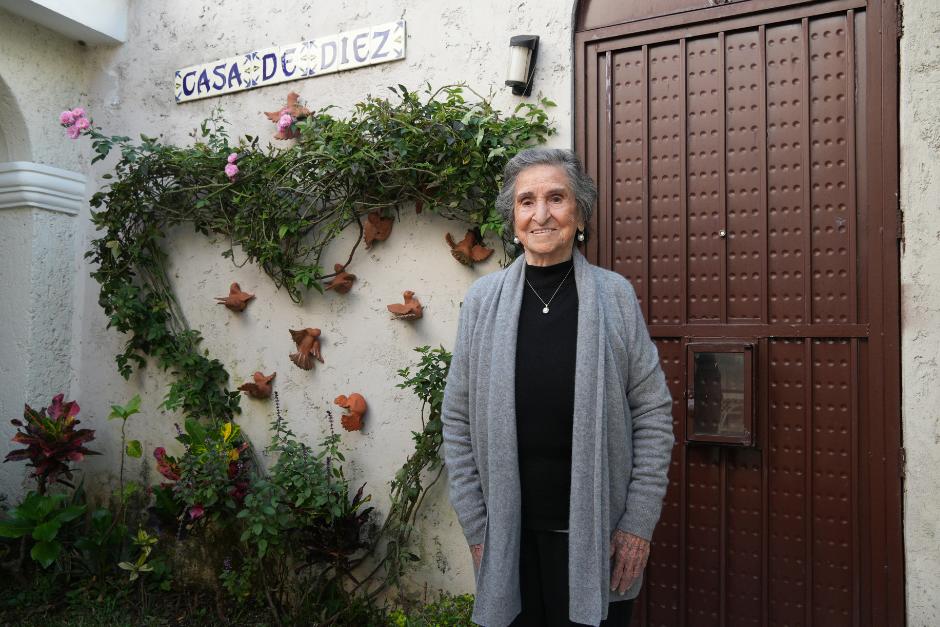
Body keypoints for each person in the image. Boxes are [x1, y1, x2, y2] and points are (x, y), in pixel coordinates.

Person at [441, 148, 675, 627]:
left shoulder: (614, 297)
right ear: (513, 219)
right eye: (526, 201)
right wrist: (477, 526)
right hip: (508, 536)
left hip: (598, 536)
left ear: (580, 214)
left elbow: (653, 413)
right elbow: (457, 419)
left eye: (556, 198)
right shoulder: (482, 301)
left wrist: (637, 523)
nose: (541, 214)